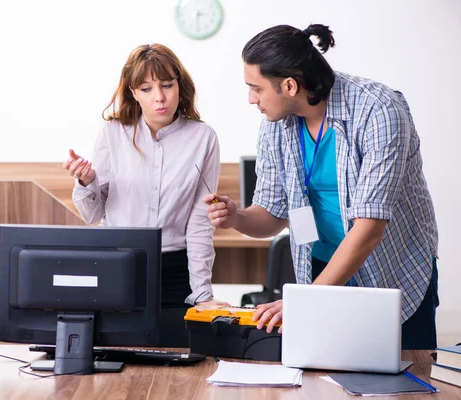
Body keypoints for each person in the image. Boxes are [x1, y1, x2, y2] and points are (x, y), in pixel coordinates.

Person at [205, 24, 439, 350]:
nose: (250, 99)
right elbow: (272, 215)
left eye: (255, 88)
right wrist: (237, 218)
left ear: (289, 85)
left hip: (392, 273)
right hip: (321, 270)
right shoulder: (276, 126)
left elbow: (370, 228)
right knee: (322, 382)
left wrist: (306, 300)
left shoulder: (379, 111)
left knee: (404, 384)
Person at [63, 43, 229, 347]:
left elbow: (199, 223)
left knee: (177, 368)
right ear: (133, 92)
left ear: (180, 85)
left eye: (167, 85)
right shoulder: (113, 134)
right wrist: (87, 182)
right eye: (147, 88)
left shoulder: (203, 138)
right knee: (115, 366)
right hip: (117, 267)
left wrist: (203, 293)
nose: (160, 97)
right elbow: (92, 215)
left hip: (175, 274)